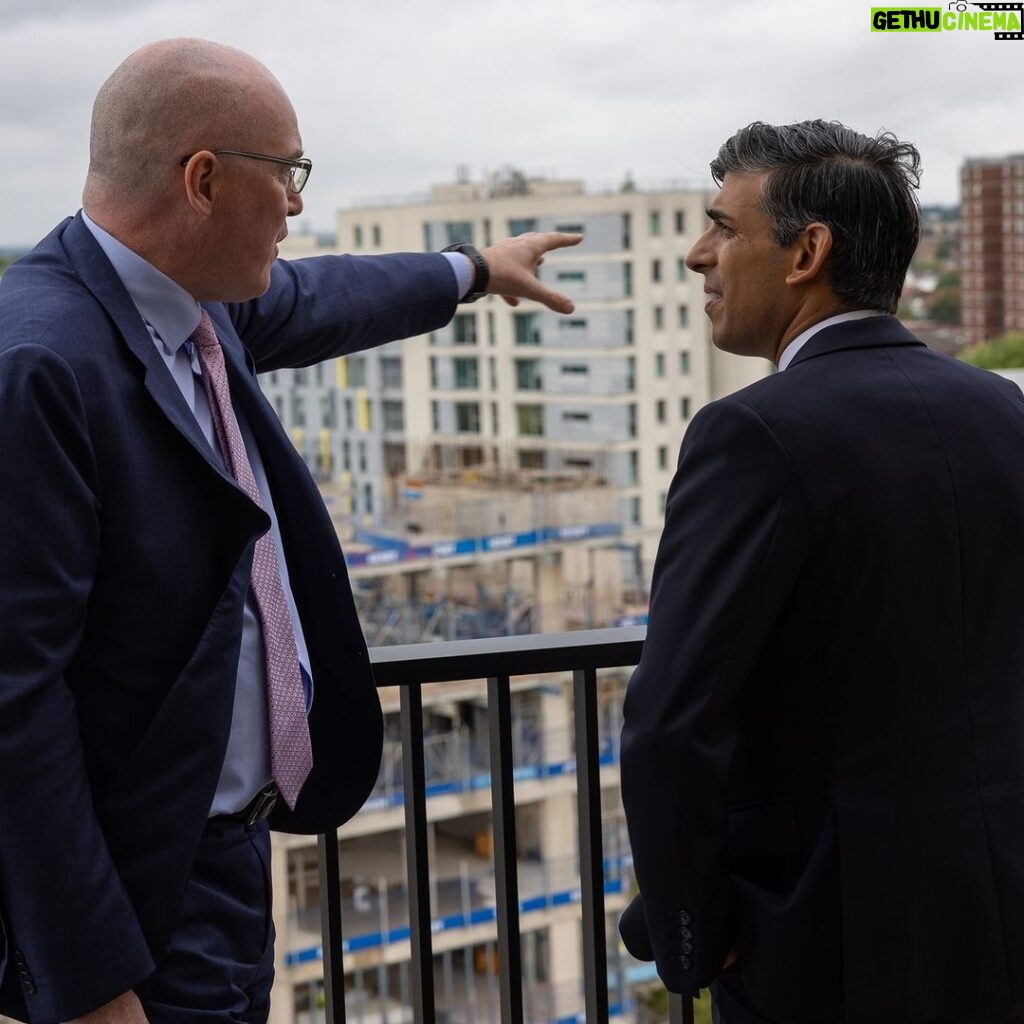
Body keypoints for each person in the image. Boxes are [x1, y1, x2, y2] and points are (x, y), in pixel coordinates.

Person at [0, 38, 580, 1024]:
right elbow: (14, 703)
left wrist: (474, 270)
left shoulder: (193, 310)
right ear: (203, 180)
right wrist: (94, 983)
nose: (298, 206)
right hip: (139, 905)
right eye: (290, 174)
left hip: (227, 855)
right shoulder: (41, 362)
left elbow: (325, 296)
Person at [618, 120, 1024, 1024]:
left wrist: (692, 929)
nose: (698, 255)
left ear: (809, 251)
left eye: (723, 228)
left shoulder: (752, 433)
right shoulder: (1003, 410)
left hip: (826, 937)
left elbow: (672, 718)